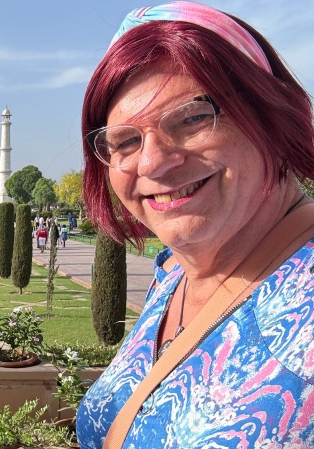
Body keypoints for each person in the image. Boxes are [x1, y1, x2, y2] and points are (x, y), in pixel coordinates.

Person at [75, 2, 314, 448]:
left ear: (272, 115)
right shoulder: (171, 277)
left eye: (192, 118)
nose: (153, 162)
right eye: (125, 140)